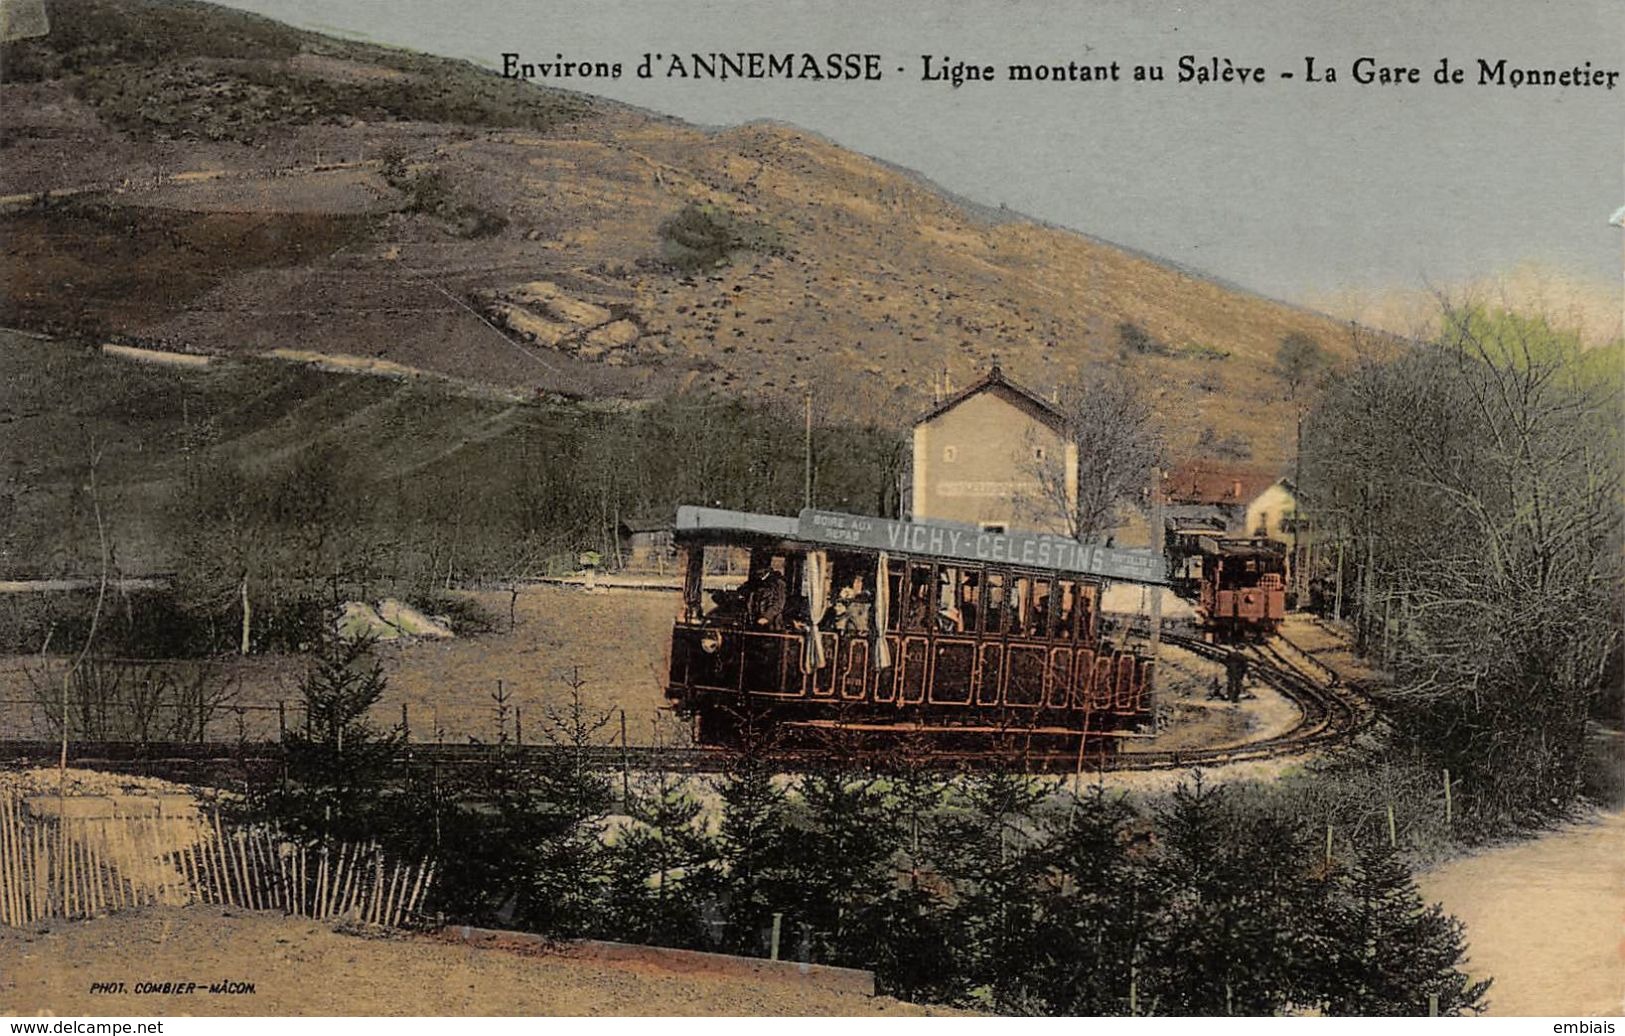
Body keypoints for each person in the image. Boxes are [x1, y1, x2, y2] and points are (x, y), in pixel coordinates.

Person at [740, 560, 787, 628]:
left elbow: (779, 604)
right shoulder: (756, 581)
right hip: (754, 619)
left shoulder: (778, 583)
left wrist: (767, 617)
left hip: (772, 622)